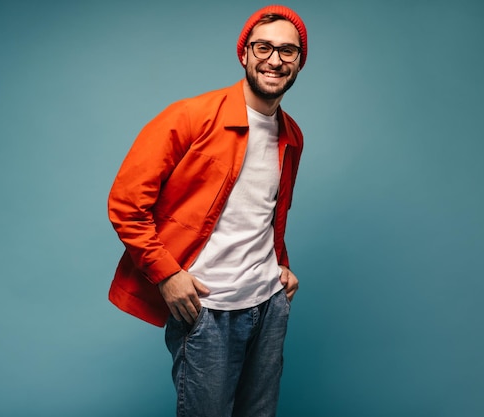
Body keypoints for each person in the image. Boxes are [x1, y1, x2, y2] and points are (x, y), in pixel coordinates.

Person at [107, 5, 307, 416]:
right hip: (207, 309)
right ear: (245, 54)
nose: (275, 59)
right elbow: (127, 203)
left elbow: (266, 212)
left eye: (288, 51)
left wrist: (279, 264)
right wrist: (167, 274)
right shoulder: (190, 117)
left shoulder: (292, 135)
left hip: (268, 306)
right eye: (264, 47)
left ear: (299, 61)